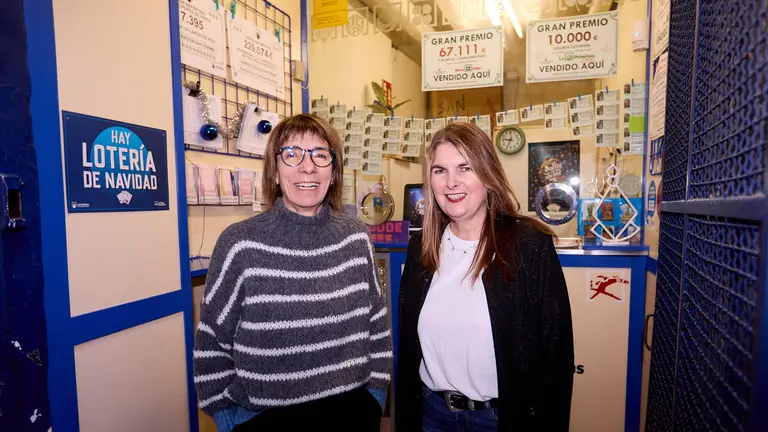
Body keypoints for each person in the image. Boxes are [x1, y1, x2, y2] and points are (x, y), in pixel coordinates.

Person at [194, 114, 392, 432]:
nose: (307, 167)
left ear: (333, 171)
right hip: (263, 419)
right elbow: (212, 340)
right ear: (274, 173)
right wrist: (228, 419)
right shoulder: (240, 243)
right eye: (291, 154)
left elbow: (376, 324)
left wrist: (376, 396)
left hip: (352, 413)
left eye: (320, 155)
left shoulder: (356, 235)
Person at [395, 122, 574, 431]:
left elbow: (556, 359)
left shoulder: (529, 247)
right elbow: (409, 351)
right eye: (440, 171)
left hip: (500, 419)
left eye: (465, 168)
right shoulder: (420, 249)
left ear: (488, 175)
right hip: (432, 414)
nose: (451, 183)